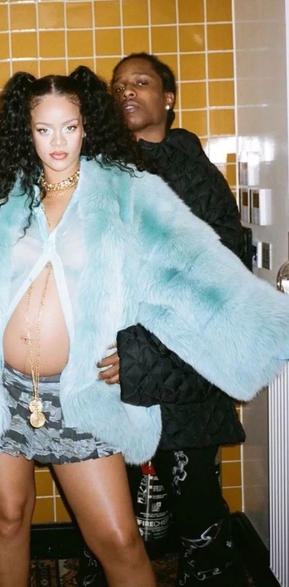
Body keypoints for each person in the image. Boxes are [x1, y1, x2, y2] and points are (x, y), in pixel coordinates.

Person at [0, 66, 289, 587]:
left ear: (87, 126)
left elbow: (197, 273)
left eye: (69, 126)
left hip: (81, 395)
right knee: (7, 518)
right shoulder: (2, 201)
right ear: (27, 133)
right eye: (44, 129)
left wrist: (267, 328)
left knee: (118, 541)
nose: (58, 141)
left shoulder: (128, 195)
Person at [110, 52, 248, 587]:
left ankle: (209, 573)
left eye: (141, 82)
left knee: (195, 493)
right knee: (122, 495)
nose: (126, 91)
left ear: (168, 98)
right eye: (119, 84)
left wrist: (145, 350)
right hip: (114, 359)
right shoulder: (103, 168)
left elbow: (220, 266)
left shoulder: (192, 170)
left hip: (181, 355)